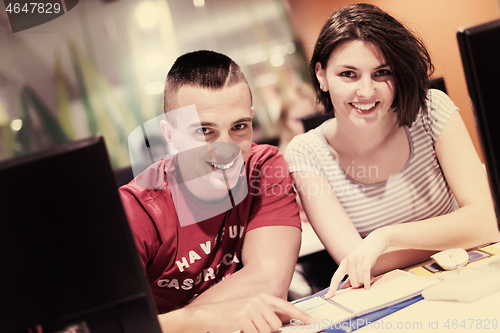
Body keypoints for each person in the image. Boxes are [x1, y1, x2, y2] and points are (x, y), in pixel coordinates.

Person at [284, 3, 500, 297]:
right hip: (395, 298)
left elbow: (488, 221)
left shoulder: (431, 109)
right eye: (348, 74)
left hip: (471, 278)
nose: (366, 91)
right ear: (321, 75)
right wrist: (458, 233)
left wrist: (385, 238)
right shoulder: (305, 152)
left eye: (381, 72)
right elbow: (358, 264)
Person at [119, 50, 312, 333]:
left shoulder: (263, 167)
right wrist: (200, 320)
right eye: (205, 131)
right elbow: (115, 326)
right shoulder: (135, 210)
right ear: (169, 134)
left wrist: (168, 323)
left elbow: (269, 282)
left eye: (239, 127)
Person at [278, 82, 323, 153]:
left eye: (310, 117)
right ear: (285, 123)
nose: (305, 124)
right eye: (298, 120)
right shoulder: (281, 159)